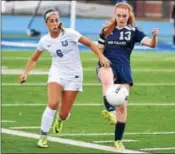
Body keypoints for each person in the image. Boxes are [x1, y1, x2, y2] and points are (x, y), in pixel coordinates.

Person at [19, 9, 111, 148]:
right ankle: (43, 136)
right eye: (51, 21)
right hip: (57, 72)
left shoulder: (70, 33)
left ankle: (60, 120)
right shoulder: (45, 40)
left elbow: (90, 44)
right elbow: (33, 59)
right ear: (46, 24)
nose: (55, 23)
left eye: (56, 20)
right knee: (53, 103)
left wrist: (102, 57)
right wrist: (25, 73)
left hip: (74, 76)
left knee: (63, 114)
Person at [96, 2, 158, 151]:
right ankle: (110, 111)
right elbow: (98, 49)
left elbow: (151, 44)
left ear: (129, 15)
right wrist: (101, 58)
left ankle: (118, 140)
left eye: (124, 16)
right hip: (107, 64)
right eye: (119, 15)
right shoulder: (106, 30)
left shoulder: (134, 31)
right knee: (107, 79)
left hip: (124, 68)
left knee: (122, 107)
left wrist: (154, 37)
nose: (121, 18)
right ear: (115, 15)